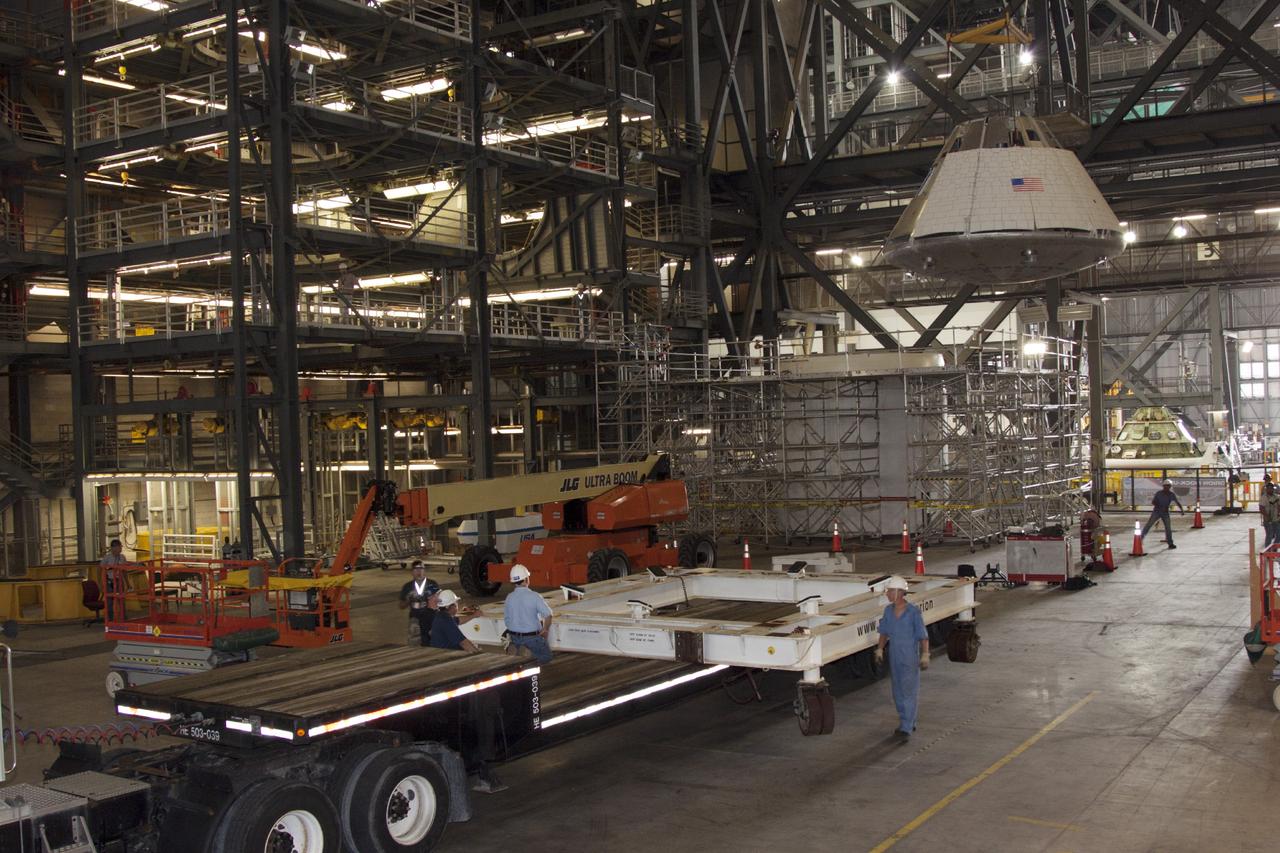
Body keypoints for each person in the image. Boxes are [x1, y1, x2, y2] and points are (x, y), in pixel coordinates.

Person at [875, 576, 929, 739]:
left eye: (890, 591)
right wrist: (879, 649)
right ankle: (907, 722)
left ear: (899, 592)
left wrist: (925, 654)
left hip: (909, 658)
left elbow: (922, 636)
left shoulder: (913, 612)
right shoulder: (888, 611)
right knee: (897, 691)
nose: (887, 594)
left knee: (908, 691)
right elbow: (884, 631)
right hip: (895, 657)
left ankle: (906, 726)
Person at [502, 564, 553, 663]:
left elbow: (507, 619)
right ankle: (529, 655)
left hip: (514, 637)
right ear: (526, 579)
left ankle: (517, 652)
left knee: (520, 664)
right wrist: (545, 629)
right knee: (547, 657)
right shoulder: (534, 596)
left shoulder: (509, 597)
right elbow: (548, 615)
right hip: (532, 638)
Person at [399, 562, 440, 646]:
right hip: (415, 619)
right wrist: (409, 599)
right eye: (416, 569)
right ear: (412, 572)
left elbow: (440, 601)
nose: (419, 571)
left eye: (421, 568)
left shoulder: (432, 584)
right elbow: (401, 606)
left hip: (431, 619)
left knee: (433, 642)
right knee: (414, 644)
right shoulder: (408, 586)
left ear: (424, 570)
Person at [1141, 479, 1185, 548]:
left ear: (1170, 486)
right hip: (1157, 512)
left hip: (1165, 513)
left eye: (1168, 486)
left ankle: (1170, 543)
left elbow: (1177, 502)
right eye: (1166, 486)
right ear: (1163, 486)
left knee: (1168, 528)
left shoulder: (1171, 494)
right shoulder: (1159, 493)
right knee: (1149, 525)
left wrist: (1182, 510)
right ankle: (1140, 539)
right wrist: (1158, 505)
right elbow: (1153, 502)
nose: (1167, 487)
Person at [100, 538, 128, 621]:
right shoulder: (107, 558)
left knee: (121, 600)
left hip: (119, 581)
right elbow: (100, 568)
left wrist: (127, 583)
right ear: (113, 548)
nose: (120, 549)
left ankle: (123, 618)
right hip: (110, 582)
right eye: (119, 547)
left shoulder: (122, 557)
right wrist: (101, 582)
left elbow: (124, 571)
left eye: (120, 547)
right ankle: (110, 619)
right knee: (109, 601)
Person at [1260, 481, 1280, 550]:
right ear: (1266, 489)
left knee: (1278, 535)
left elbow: (1279, 505)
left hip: (1276, 519)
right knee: (1269, 535)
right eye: (1269, 488)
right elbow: (1261, 508)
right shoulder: (1264, 497)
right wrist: (1266, 516)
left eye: (1272, 488)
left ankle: (1274, 548)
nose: (1271, 489)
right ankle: (1268, 551)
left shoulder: (1276, 496)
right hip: (1268, 520)